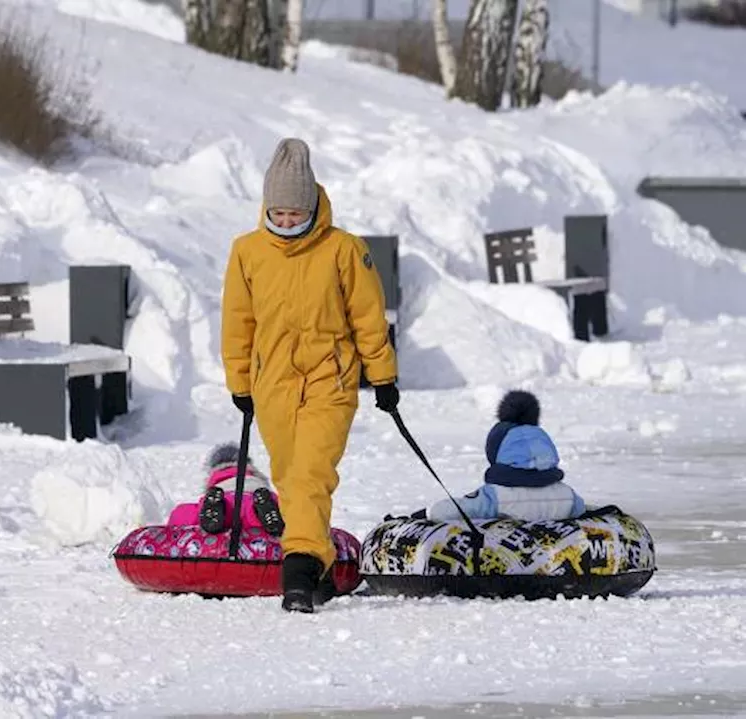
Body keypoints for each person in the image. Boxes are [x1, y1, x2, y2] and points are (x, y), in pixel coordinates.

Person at [220, 137, 399, 614]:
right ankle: (318, 564)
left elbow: (368, 316)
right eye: (276, 214)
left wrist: (381, 375)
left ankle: (297, 570)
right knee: (289, 477)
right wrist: (240, 382)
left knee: (310, 475)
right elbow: (239, 321)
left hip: (330, 380)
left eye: (294, 214)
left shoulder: (344, 250)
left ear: (313, 205)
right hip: (272, 383)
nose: (285, 222)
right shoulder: (248, 252)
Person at [420, 390, 588, 522]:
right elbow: (582, 509)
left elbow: (445, 512)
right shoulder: (568, 496)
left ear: (496, 453)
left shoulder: (495, 497)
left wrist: (427, 512)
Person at [164, 442, 285, 537]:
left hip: (226, 498)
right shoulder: (254, 475)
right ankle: (262, 513)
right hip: (253, 495)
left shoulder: (216, 478)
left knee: (185, 511)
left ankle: (214, 513)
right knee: (256, 511)